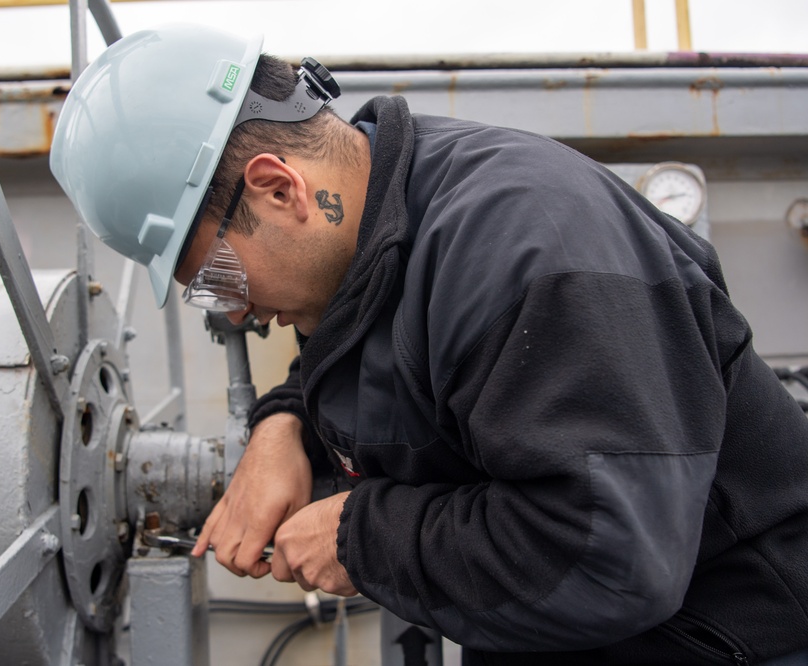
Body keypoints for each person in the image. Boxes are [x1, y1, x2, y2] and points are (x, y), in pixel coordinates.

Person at [50, 22, 808, 665]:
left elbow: (610, 560)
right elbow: (374, 344)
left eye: (216, 277)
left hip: (727, 632)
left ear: (280, 188)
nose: (236, 313)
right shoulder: (381, 216)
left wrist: (359, 538)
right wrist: (284, 423)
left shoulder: (527, 252)